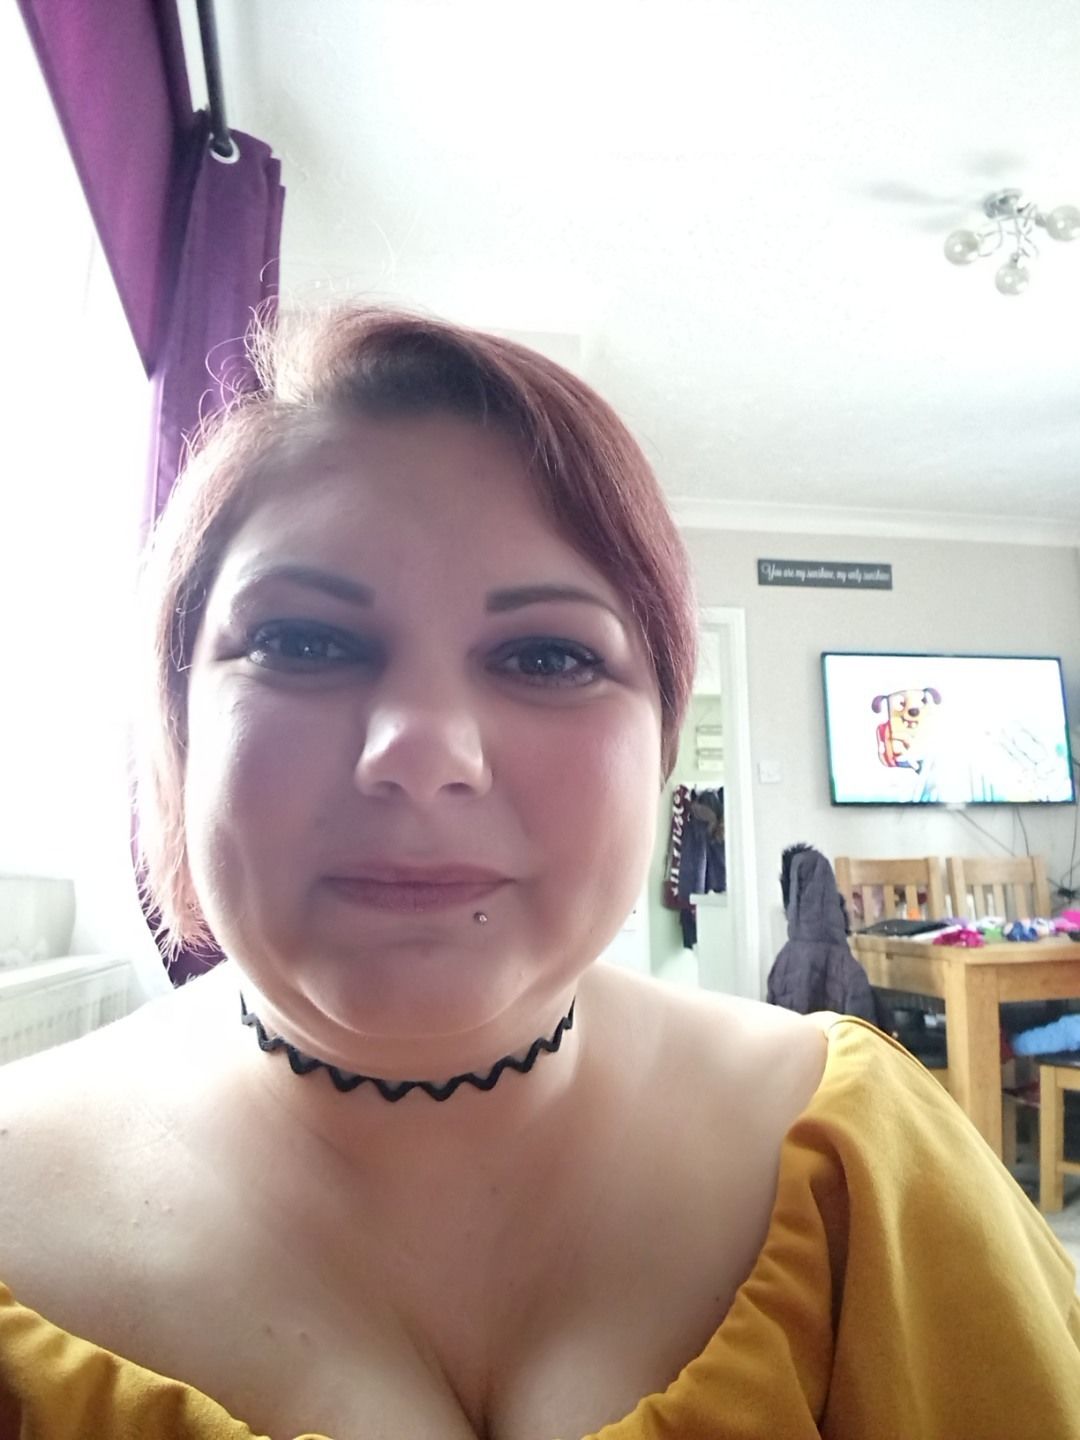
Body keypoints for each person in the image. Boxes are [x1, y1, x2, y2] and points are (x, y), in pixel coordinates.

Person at [0, 306, 1077, 1440]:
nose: (423, 752)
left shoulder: (862, 1160)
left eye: (549, 655)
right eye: (303, 642)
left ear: (660, 747)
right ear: (175, 726)